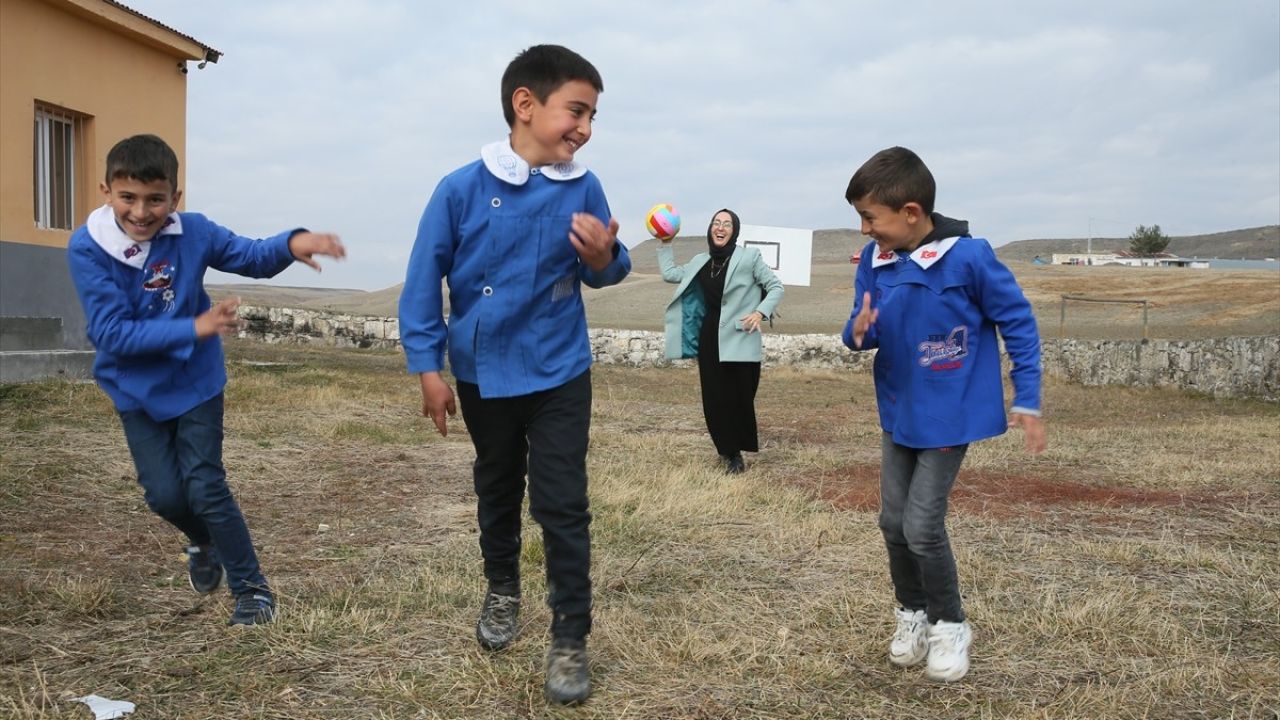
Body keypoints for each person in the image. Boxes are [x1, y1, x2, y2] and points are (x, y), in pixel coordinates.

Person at [398, 44, 630, 706]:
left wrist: (608, 256)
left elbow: (599, 269)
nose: (585, 128)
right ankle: (502, 589)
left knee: (562, 503)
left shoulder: (582, 185)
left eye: (592, 116)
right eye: (576, 111)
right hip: (482, 372)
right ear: (525, 105)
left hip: (560, 369)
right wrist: (428, 370)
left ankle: (569, 638)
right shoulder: (459, 189)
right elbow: (422, 286)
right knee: (497, 487)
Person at [66, 134, 346, 626]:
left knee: (205, 485)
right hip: (135, 387)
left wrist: (292, 243)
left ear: (175, 197)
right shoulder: (89, 248)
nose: (140, 211)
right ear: (106, 190)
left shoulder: (192, 232)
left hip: (196, 381)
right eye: (127, 197)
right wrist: (195, 326)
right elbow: (111, 333)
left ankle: (251, 591)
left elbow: (251, 255)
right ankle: (203, 541)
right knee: (165, 496)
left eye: (155, 198)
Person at [841, 146, 1046, 682]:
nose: (864, 230)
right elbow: (863, 328)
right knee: (892, 522)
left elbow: (1018, 322)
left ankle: (950, 624)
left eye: (870, 218)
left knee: (922, 526)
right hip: (898, 409)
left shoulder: (971, 257)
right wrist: (859, 330)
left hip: (950, 415)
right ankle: (910, 615)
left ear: (911, 212)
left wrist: (1027, 395)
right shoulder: (875, 261)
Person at [658, 209, 784, 473]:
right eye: (717, 222)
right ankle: (730, 454)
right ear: (710, 228)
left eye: (727, 224)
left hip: (741, 336)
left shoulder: (749, 258)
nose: (721, 227)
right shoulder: (700, 260)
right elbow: (670, 273)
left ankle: (738, 444)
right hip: (709, 336)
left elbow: (775, 286)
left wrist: (760, 312)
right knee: (715, 399)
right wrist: (665, 242)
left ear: (734, 230)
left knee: (740, 397)